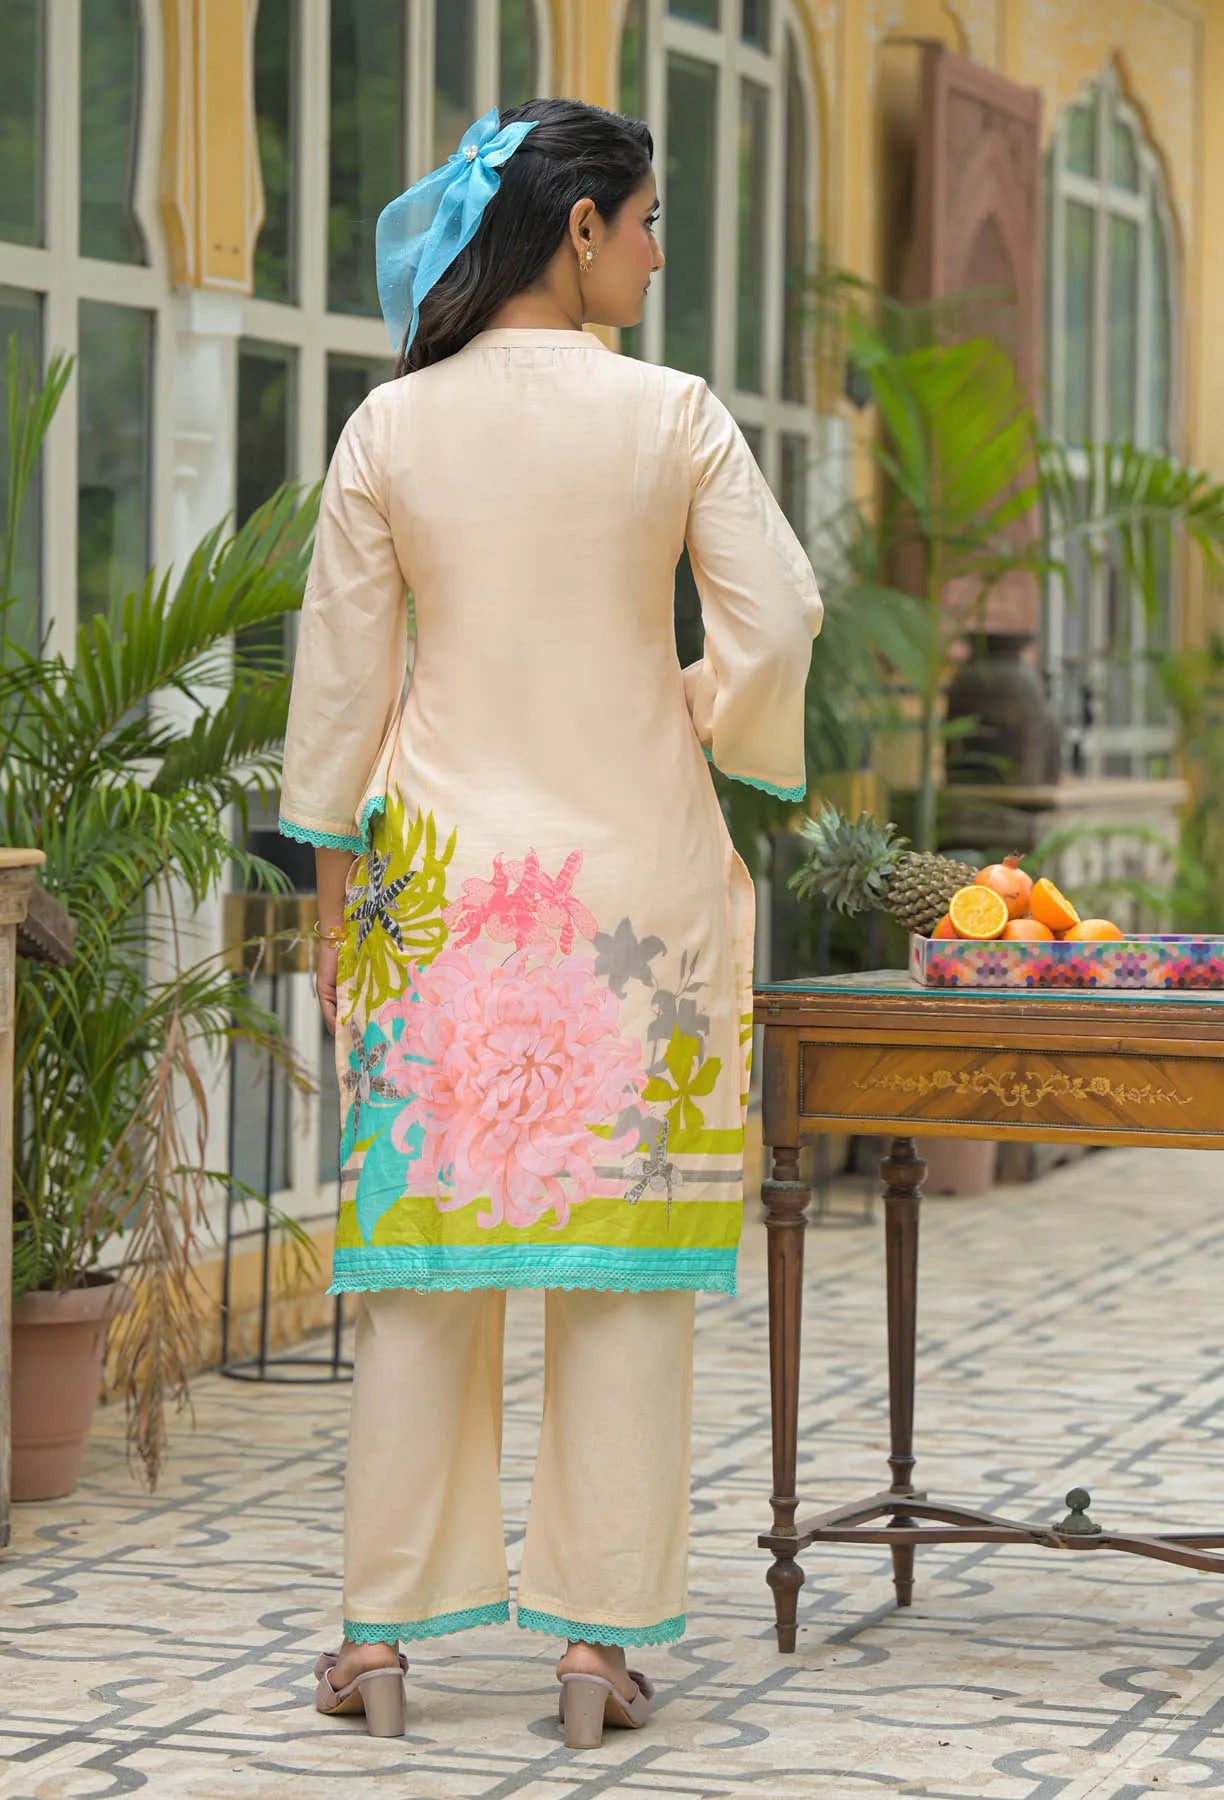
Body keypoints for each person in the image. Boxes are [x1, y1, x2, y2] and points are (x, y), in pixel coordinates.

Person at [279, 97, 821, 1750]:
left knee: (426, 1282)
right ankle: (595, 1653)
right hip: (633, 909)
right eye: (649, 222)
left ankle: (378, 1643)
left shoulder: (391, 430)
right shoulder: (674, 418)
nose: (658, 252)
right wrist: (693, 704)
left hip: (439, 901)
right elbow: (783, 610)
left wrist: (327, 907)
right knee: (621, 1287)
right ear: (578, 231)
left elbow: (339, 691)